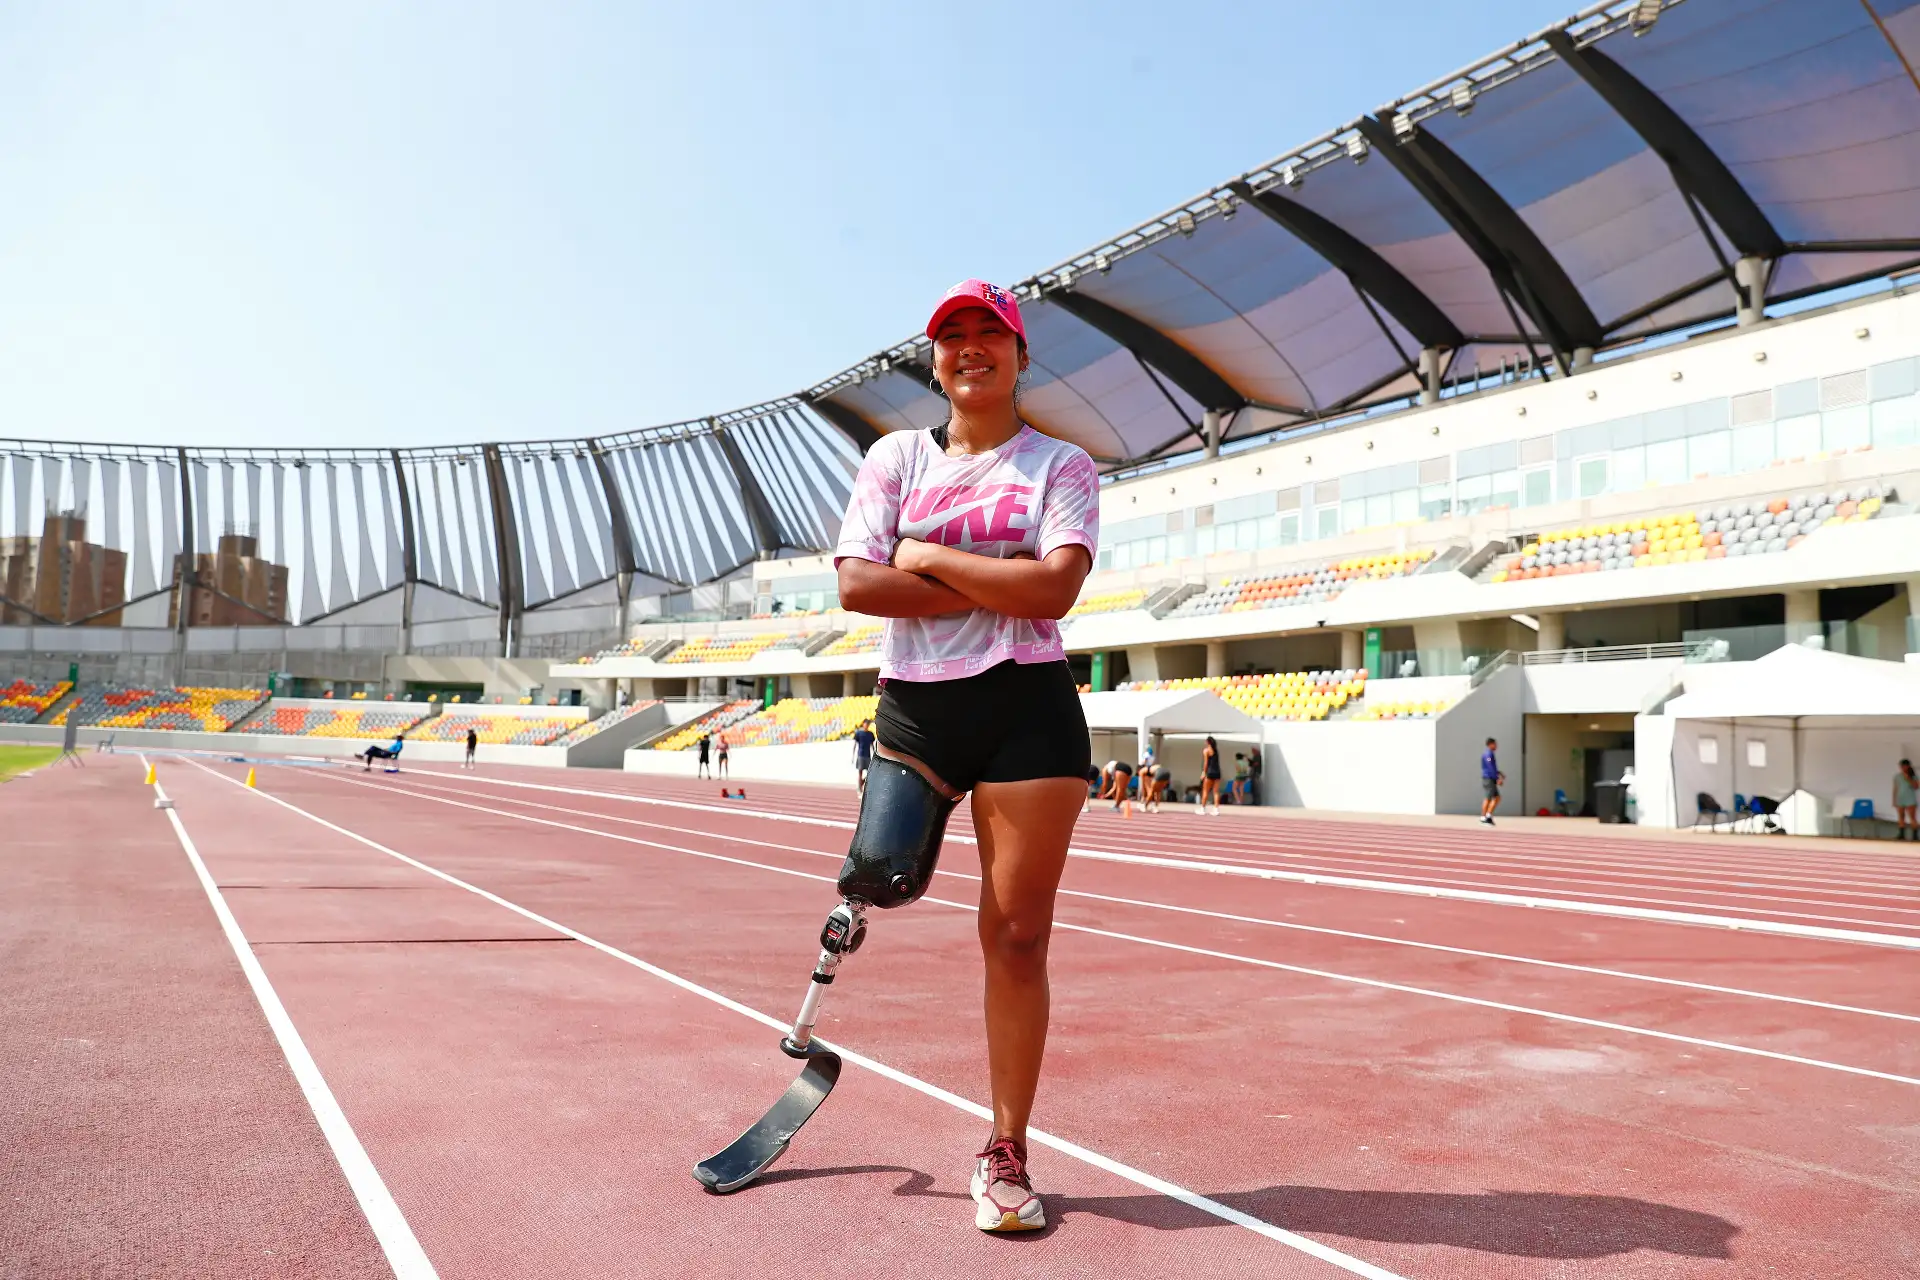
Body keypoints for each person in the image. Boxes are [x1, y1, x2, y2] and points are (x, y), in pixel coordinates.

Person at [833, 278, 1097, 1233]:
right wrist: (1000, 581)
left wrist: (930, 557)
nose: (972, 348)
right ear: (935, 360)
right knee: (879, 878)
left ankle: (1007, 1146)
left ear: (1024, 357)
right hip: (917, 711)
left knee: (1017, 936)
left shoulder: (1062, 466)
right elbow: (860, 587)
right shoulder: (897, 456)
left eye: (993, 334)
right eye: (954, 337)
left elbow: (1054, 593)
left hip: (1028, 710)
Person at [1480, 737, 1504, 825]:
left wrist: (1499, 773)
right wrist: (1497, 778)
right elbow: (1489, 767)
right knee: (1488, 797)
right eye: (1495, 744)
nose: (1496, 746)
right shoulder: (1488, 754)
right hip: (1488, 778)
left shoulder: (1490, 754)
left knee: (1497, 798)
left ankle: (1488, 815)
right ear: (1490, 744)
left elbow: (1492, 767)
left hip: (1491, 777)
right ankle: (1483, 817)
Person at [1895, 758, 1918, 842]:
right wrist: (1894, 800)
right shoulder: (1897, 776)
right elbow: (1896, 788)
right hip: (1901, 798)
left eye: (1904, 766)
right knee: (1901, 816)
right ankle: (1901, 834)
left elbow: (1916, 786)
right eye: (1901, 766)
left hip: (1910, 799)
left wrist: (1908, 778)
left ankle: (1915, 835)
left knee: (1912, 817)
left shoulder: (1914, 776)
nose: (1902, 768)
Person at [852, 720, 876, 794]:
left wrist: (874, 756)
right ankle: (859, 789)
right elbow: (855, 745)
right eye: (866, 724)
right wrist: (853, 756)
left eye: (868, 724)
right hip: (860, 755)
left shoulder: (870, 734)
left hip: (868, 755)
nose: (867, 725)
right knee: (860, 772)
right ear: (863, 724)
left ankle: (861, 784)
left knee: (870, 773)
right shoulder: (858, 733)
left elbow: (872, 746)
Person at [1199, 735, 1222, 814]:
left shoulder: (1206, 750)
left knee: (1205, 791)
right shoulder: (1216, 750)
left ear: (1207, 742)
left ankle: (1203, 808)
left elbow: (1206, 763)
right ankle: (1216, 809)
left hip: (1210, 772)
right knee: (1216, 792)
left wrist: (1203, 772)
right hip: (1217, 772)